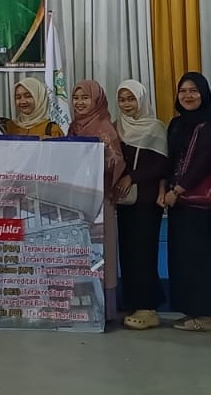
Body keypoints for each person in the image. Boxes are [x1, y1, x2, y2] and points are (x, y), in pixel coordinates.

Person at [161, 72, 211, 333]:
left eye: (194, 91)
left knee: (201, 260)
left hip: (200, 203)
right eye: (183, 91)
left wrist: (177, 189)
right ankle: (192, 312)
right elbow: (169, 159)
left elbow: (203, 161)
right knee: (183, 260)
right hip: (179, 204)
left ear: (204, 94)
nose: (188, 96)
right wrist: (166, 189)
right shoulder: (176, 124)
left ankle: (206, 316)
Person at [68, 80, 131, 325]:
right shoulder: (74, 126)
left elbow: (117, 163)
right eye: (76, 98)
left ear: (97, 100)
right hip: (79, 200)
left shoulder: (104, 127)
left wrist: (104, 152)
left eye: (85, 98)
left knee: (101, 251)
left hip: (101, 200)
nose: (79, 103)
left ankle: (105, 310)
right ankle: (82, 305)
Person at [114, 79, 168, 331]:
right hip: (124, 201)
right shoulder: (117, 127)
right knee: (127, 253)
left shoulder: (155, 128)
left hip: (146, 201)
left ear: (142, 100)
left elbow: (161, 165)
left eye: (131, 99)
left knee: (144, 253)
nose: (126, 104)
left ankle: (148, 308)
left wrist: (132, 177)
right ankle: (132, 303)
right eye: (122, 99)